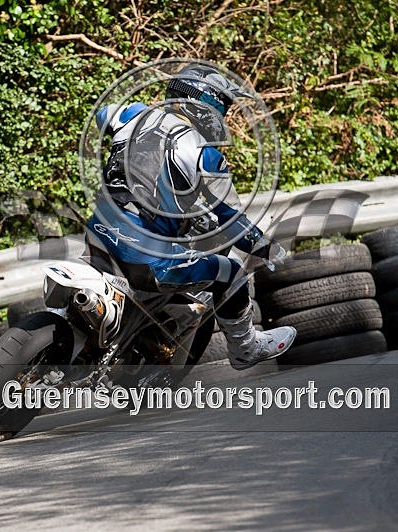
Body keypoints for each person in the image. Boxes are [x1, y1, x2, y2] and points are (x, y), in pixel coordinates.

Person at [87, 64, 296, 370]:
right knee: (232, 273)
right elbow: (231, 220)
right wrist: (266, 247)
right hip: (147, 255)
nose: (222, 115)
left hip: (99, 230)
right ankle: (245, 349)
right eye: (222, 105)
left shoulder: (131, 114)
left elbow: (103, 113)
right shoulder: (206, 154)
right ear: (206, 102)